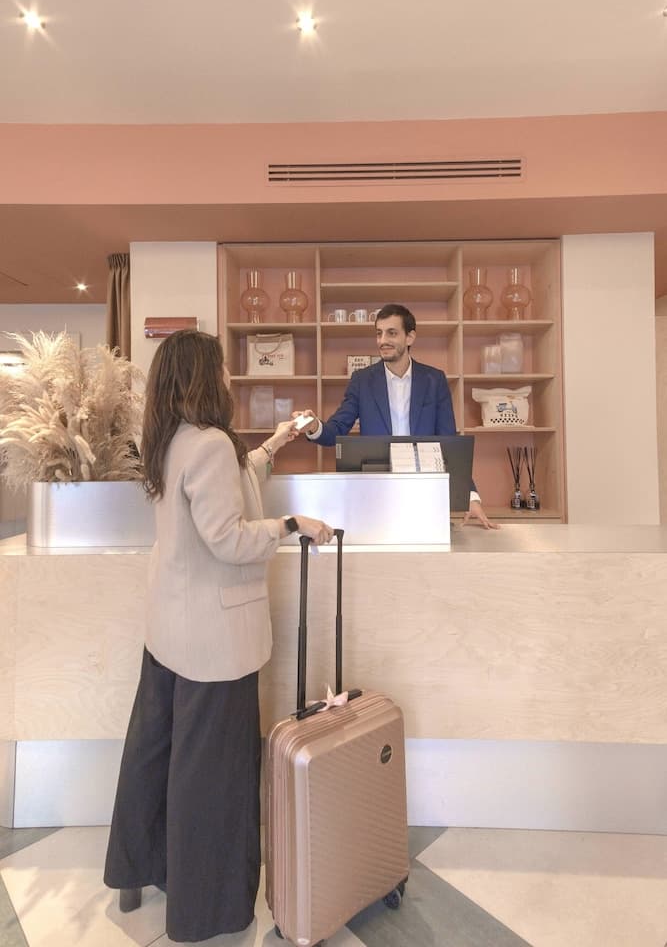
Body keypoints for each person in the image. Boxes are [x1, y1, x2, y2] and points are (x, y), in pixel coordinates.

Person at [104, 329, 333, 942]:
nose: (230, 378)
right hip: (215, 639)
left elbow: (229, 480)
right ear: (204, 376)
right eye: (224, 369)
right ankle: (206, 910)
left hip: (171, 631)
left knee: (156, 755)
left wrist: (275, 443)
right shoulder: (207, 444)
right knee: (213, 776)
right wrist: (290, 524)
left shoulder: (174, 439)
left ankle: (140, 868)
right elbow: (228, 538)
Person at [296, 303, 499, 529]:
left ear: (410, 337)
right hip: (375, 492)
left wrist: (470, 496)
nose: (382, 340)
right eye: (379, 333)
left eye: (391, 333)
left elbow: (448, 442)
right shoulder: (362, 380)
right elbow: (337, 429)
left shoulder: (435, 380)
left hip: (425, 494)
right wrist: (314, 426)